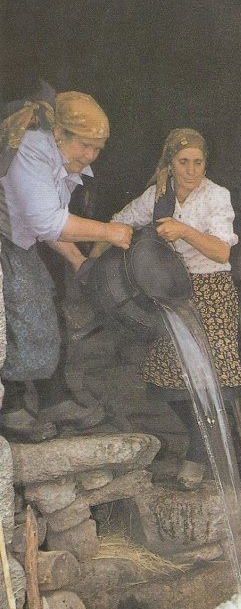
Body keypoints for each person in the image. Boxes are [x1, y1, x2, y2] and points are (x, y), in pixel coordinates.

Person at [111, 128, 241, 488]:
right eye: (183, 162)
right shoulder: (158, 196)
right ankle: (203, 440)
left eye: (198, 162)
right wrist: (87, 264)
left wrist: (183, 231)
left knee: (212, 379)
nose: (191, 170)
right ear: (169, 163)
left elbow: (221, 251)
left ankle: (197, 458)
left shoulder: (216, 196)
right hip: (171, 294)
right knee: (169, 379)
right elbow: (118, 223)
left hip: (211, 292)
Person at [0, 90, 133, 442]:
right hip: (2, 243)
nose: (90, 156)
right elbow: (47, 221)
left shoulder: (60, 158)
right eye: (85, 145)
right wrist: (109, 231)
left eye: (97, 149)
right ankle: (10, 406)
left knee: (42, 301)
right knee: (14, 312)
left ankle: (53, 398)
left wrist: (77, 260)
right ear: (61, 134)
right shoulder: (30, 151)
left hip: (16, 241)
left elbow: (42, 222)